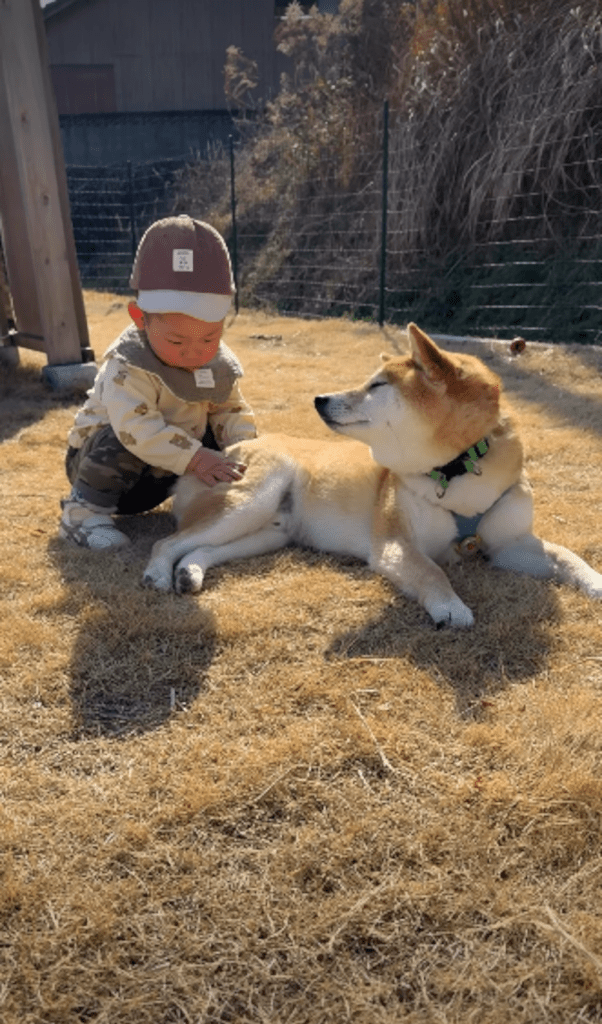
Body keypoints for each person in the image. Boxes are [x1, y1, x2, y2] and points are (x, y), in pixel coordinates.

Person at [59, 215, 257, 550]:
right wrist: (197, 458)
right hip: (104, 471)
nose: (195, 352)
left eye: (210, 337)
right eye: (178, 342)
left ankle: (214, 501)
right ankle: (82, 514)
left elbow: (232, 410)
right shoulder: (128, 365)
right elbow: (135, 426)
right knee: (123, 436)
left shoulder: (215, 363)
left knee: (220, 431)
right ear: (140, 319)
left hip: (168, 470)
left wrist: (247, 455)